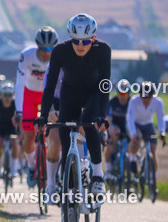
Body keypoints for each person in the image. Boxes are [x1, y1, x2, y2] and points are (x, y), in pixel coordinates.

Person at [37, 13, 112, 199]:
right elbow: (50, 86)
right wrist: (43, 114)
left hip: (93, 93)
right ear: (70, 38)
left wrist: (101, 115)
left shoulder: (103, 50)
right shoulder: (60, 51)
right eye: (76, 41)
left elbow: (104, 85)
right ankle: (68, 178)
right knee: (65, 130)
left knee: (89, 122)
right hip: (69, 94)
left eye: (85, 42)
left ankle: (97, 176)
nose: (80, 46)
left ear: (93, 38)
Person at [14, 27, 58, 186]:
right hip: (29, 96)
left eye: (51, 49)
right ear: (37, 46)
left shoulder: (57, 56)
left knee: (55, 136)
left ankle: (55, 173)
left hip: (49, 96)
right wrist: (19, 111)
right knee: (28, 139)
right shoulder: (27, 55)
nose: (47, 52)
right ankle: (32, 167)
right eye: (44, 49)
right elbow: (19, 84)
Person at [126, 81, 166, 196]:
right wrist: (134, 135)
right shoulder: (134, 101)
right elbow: (130, 119)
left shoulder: (158, 103)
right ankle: (133, 159)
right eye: (143, 97)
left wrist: (162, 132)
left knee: (153, 150)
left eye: (148, 97)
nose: (145, 100)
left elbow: (161, 119)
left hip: (148, 125)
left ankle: (153, 181)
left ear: (152, 96)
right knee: (136, 141)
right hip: (136, 124)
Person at [0, 85, 20, 182]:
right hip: (0, 128)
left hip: (12, 127)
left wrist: (21, 132)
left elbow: (20, 120)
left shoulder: (16, 104)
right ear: (1, 95)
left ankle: (15, 168)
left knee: (15, 143)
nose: (8, 97)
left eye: (10, 95)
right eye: (5, 95)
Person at [104, 89, 130, 173]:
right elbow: (109, 120)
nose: (122, 97)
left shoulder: (132, 103)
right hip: (115, 125)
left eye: (124, 94)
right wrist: (111, 129)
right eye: (120, 94)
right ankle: (108, 169)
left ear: (129, 95)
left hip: (127, 125)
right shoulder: (112, 102)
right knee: (110, 142)